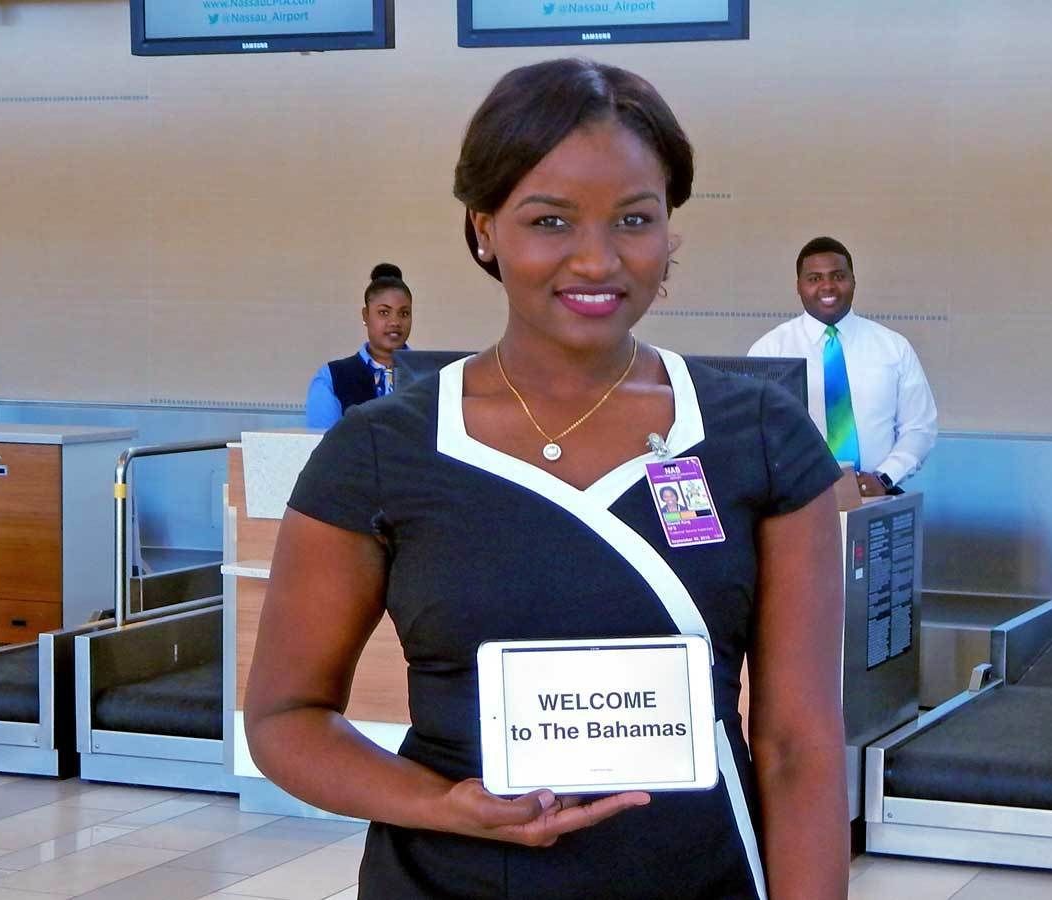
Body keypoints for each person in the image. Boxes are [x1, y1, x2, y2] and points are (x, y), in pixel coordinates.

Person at [245, 58, 848, 900]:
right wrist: (445, 804)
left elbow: (799, 746)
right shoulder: (384, 450)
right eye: (551, 221)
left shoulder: (760, 436)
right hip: (449, 881)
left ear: (669, 227)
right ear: (485, 227)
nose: (597, 260)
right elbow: (284, 719)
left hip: (702, 875)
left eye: (634, 219)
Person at [747, 237, 938, 497]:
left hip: (877, 496)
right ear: (799, 286)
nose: (828, 286)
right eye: (814, 278)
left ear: (853, 281)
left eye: (838, 276)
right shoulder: (769, 350)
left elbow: (919, 428)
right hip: (798, 503)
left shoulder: (893, 347)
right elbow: (754, 435)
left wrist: (883, 478)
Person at [304, 263, 414, 428]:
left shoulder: (430, 376)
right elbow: (322, 445)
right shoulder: (332, 377)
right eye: (384, 312)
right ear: (366, 315)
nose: (395, 322)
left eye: (404, 313)